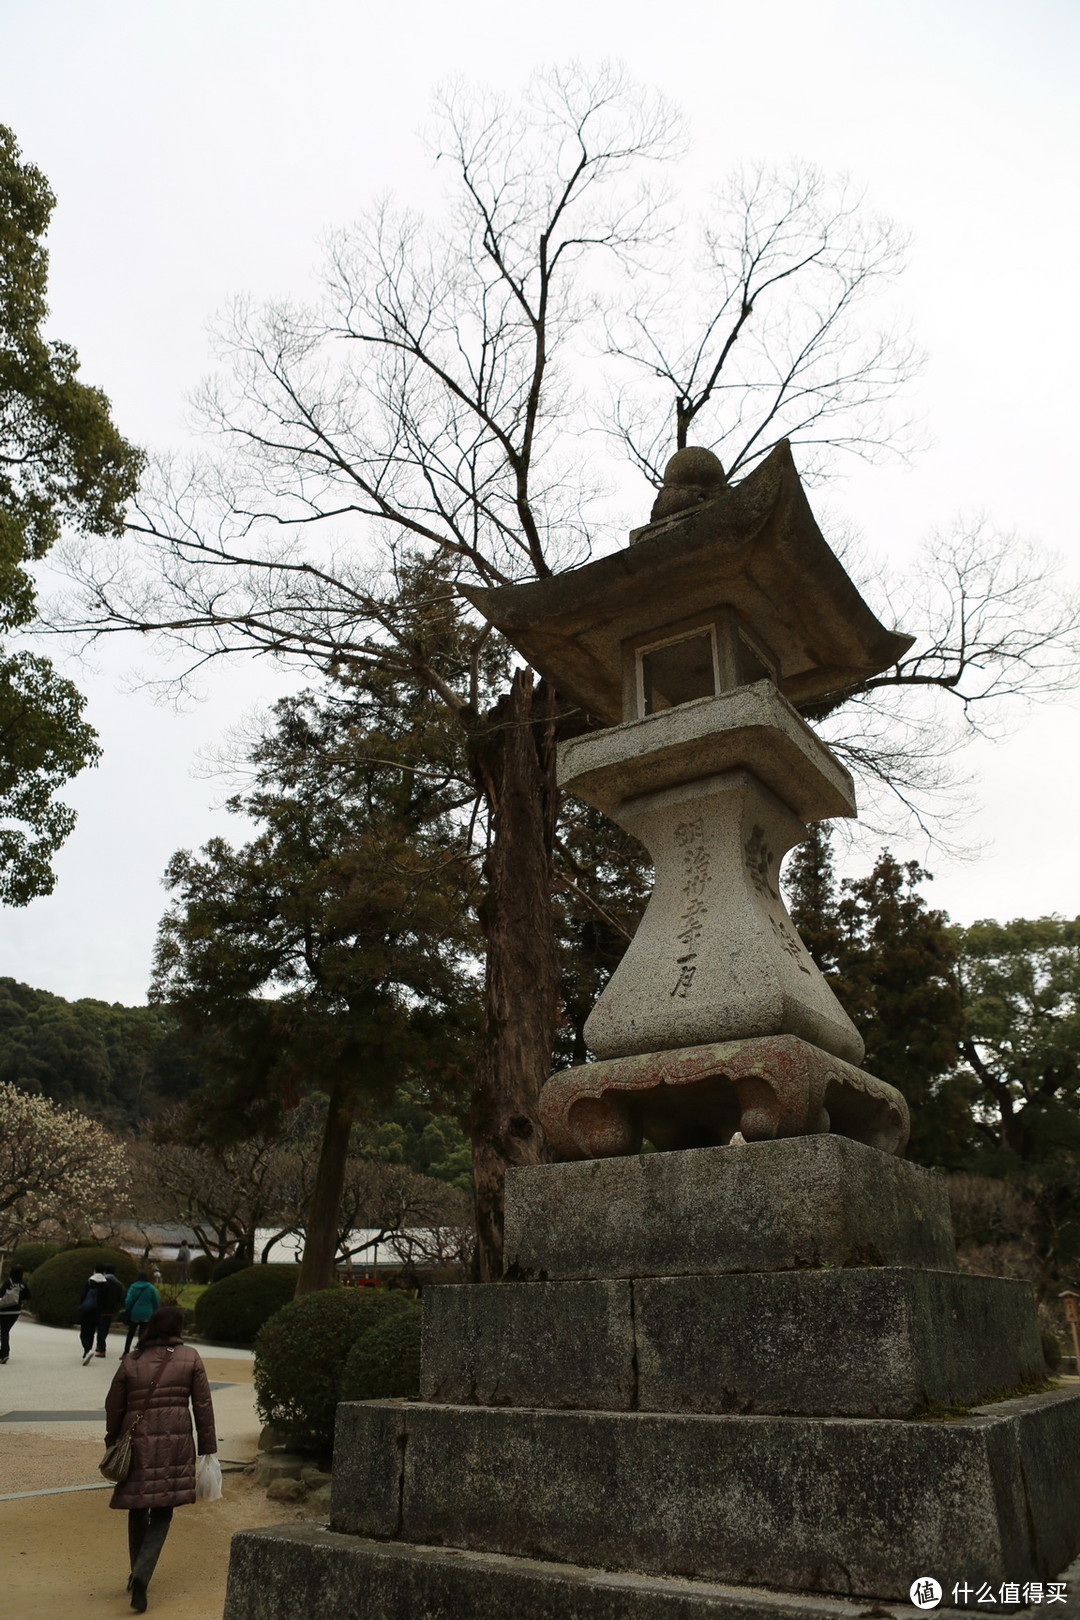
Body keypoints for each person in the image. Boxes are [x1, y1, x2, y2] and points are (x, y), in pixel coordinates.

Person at [104, 1305, 217, 1613]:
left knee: (137, 1507)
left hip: (137, 1441)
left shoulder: (132, 1360)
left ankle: (135, 1573)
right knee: (163, 1511)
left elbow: (113, 1404)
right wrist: (207, 1446)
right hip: (175, 1442)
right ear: (177, 1328)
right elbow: (203, 1405)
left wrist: (112, 1438)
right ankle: (142, 1573)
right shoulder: (190, 1356)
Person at [122, 1272, 160, 1355]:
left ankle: (126, 1352)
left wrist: (127, 1308)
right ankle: (140, 1351)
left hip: (134, 1313)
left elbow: (128, 1300)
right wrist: (155, 1311)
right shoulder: (151, 1288)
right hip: (147, 1313)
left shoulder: (133, 1287)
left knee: (130, 1333)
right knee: (143, 1333)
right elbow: (155, 1301)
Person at [0, 1265, 31, 1363]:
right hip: (16, 1312)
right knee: (6, 1331)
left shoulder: (8, 1282)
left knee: (3, 1332)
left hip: (5, 1311)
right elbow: (28, 1296)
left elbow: (1, 1294)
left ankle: (4, 1354)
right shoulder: (23, 1284)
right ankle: (4, 1352)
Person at [78, 1267, 107, 1366]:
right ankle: (87, 1352)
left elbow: (82, 1296)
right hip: (98, 1312)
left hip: (87, 1311)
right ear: (104, 1272)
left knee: (83, 1334)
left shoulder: (89, 1282)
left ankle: (87, 1350)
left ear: (94, 1271)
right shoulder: (106, 1284)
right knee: (91, 1333)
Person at [96, 1267, 124, 1357]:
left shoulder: (102, 1282)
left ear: (105, 1272)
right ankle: (101, 1345)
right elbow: (120, 1298)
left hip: (101, 1308)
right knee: (106, 1327)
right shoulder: (118, 1284)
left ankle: (101, 1349)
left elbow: (97, 1295)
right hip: (112, 1309)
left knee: (100, 1328)